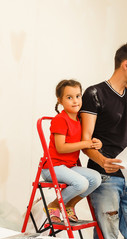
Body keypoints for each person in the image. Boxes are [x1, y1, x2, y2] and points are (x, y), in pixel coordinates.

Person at [80, 43, 127, 239]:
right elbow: (85, 141)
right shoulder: (94, 94)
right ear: (126, 64)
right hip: (105, 178)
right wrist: (102, 161)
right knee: (106, 237)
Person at [42, 79, 102, 223]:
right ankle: (54, 205)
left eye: (78, 96)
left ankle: (69, 205)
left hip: (68, 167)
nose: (75, 101)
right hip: (52, 167)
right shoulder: (60, 120)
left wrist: (95, 143)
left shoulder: (80, 120)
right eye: (69, 97)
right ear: (60, 100)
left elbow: (85, 141)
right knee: (81, 184)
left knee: (96, 179)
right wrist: (85, 143)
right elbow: (61, 147)